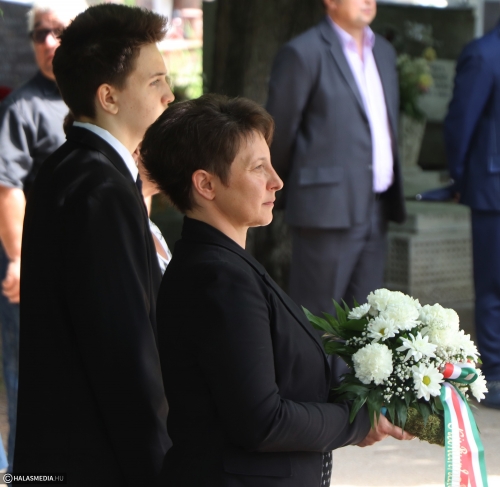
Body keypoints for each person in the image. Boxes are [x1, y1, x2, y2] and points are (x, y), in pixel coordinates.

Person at [140, 94, 413, 487]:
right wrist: (357, 422)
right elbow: (262, 421)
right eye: (258, 168)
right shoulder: (219, 278)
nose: (277, 180)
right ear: (206, 184)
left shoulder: (222, 265)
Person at [14, 4, 175, 485]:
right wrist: (163, 468)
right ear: (109, 96)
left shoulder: (72, 167)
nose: (169, 95)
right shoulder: (100, 188)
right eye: (155, 81)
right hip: (94, 460)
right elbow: (126, 355)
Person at [266, 0, 405, 321]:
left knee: (366, 324)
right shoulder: (303, 52)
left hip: (377, 207)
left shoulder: (384, 52)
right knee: (317, 322)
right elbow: (278, 135)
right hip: (325, 210)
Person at [0, 0, 87, 469]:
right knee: (27, 379)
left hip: (87, 264)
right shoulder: (22, 107)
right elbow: (7, 189)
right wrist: (19, 260)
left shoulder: (98, 98)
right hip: (34, 268)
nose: (50, 42)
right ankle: (27, 476)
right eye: (41, 34)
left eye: (60, 31)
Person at [444, 23, 500, 410]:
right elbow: (461, 123)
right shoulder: (484, 54)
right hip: (494, 191)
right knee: (494, 288)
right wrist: (461, 178)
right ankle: (495, 377)